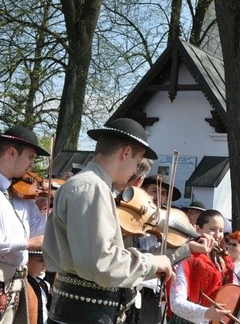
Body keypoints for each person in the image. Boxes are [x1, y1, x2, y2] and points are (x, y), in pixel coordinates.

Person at [42, 118, 173, 324]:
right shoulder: (92, 187)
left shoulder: (87, 184)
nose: (134, 171)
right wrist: (152, 262)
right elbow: (101, 263)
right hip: (85, 315)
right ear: (126, 152)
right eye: (137, 163)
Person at [0, 126, 49, 324]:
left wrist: (48, 210)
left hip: (17, 283)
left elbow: (39, 231)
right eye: (30, 157)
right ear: (12, 153)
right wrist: (27, 243)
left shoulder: (22, 193)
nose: (32, 165)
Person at [169, 209, 235, 324]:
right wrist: (205, 313)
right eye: (212, 229)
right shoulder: (188, 257)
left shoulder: (223, 260)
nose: (218, 235)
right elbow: (176, 302)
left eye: (221, 231)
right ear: (198, 229)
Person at [26, 250, 51, 324]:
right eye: (41, 260)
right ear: (26, 260)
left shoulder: (44, 284)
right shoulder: (21, 286)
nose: (45, 264)